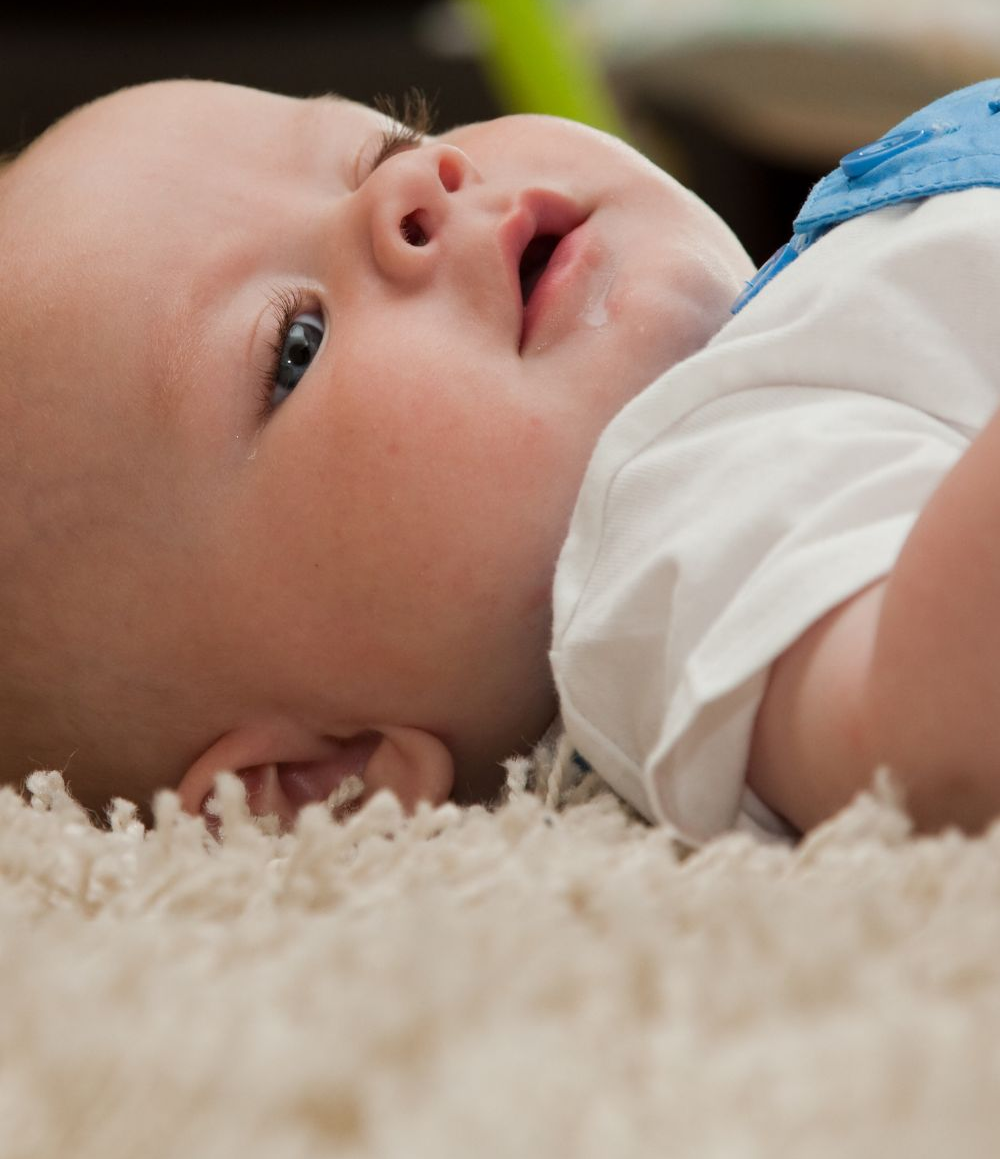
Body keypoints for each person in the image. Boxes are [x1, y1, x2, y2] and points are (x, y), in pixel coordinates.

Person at [0, 75, 997, 846]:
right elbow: (928, 733)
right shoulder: (680, 524)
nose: (411, 183)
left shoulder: (830, 301)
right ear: (321, 784)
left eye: (389, 140)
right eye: (293, 347)